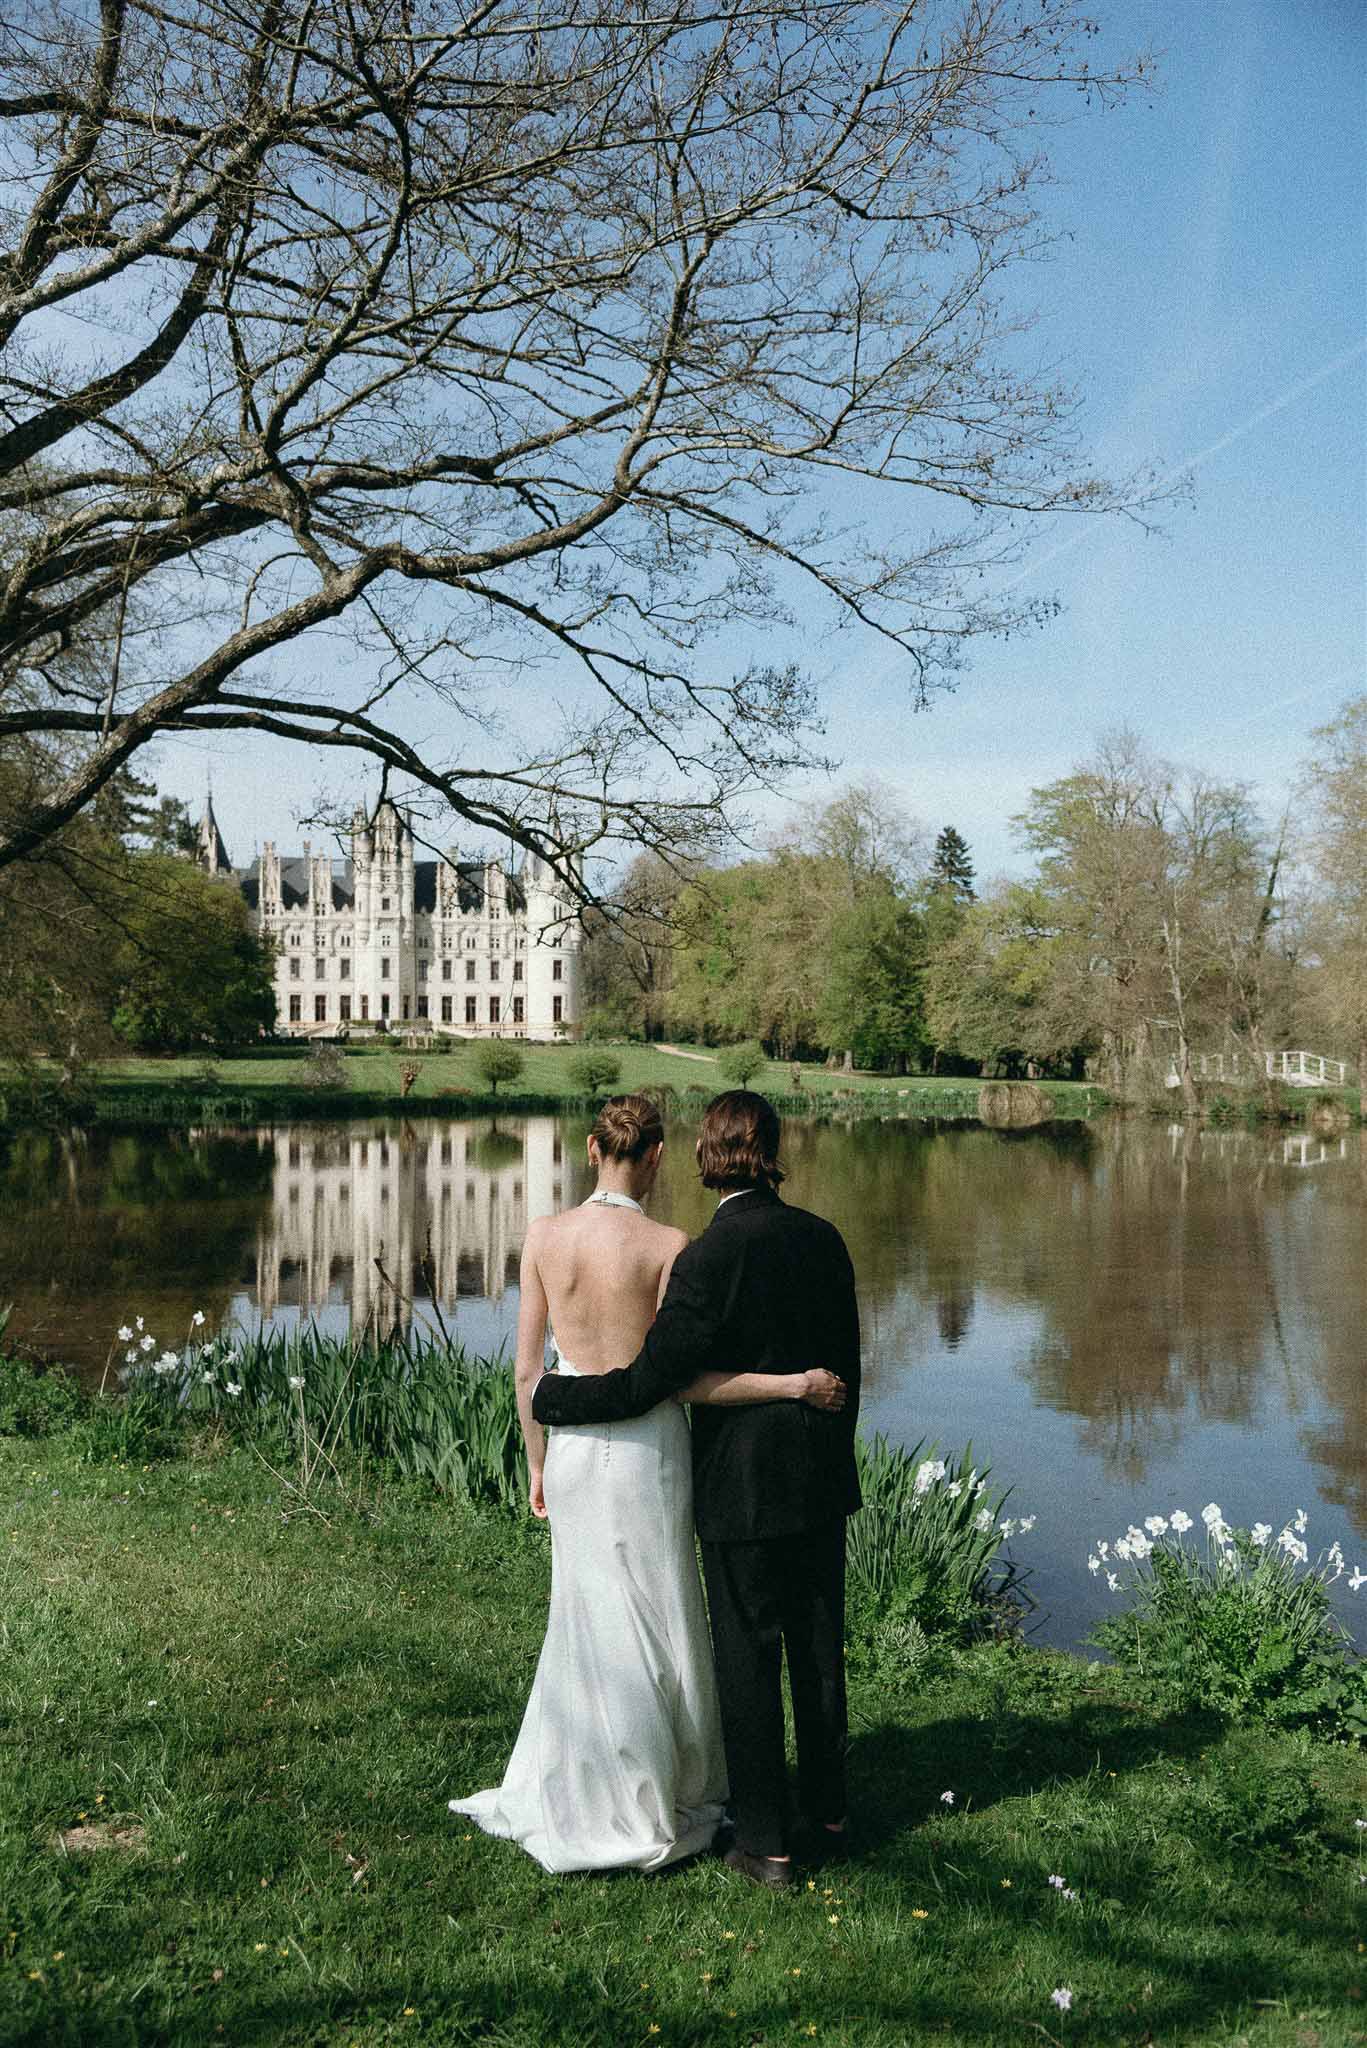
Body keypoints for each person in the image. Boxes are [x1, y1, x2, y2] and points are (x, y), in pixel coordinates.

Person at [448, 1093, 845, 1873]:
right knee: (660, 1608)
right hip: (648, 1450)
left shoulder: (543, 1236)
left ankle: (583, 1774)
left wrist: (535, 1458)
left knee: (583, 1607)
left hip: (569, 1449)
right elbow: (675, 1377)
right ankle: (672, 1781)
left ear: (591, 1148)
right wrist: (794, 1385)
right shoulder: (669, 1244)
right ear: (658, 1156)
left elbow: (528, 1369)